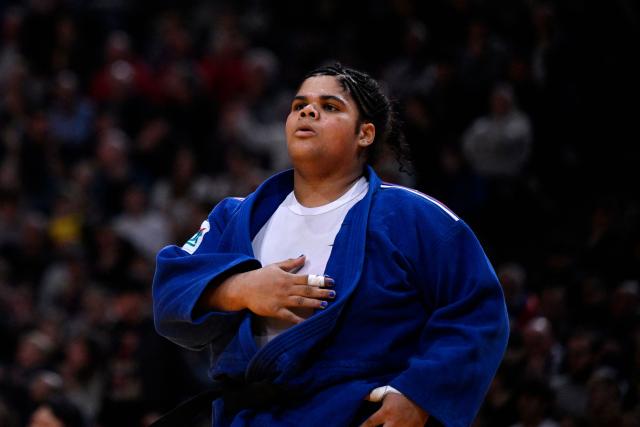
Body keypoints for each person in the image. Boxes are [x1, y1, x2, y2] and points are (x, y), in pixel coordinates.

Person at [152, 63, 509, 427]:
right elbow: (168, 292)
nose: (307, 111)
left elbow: (478, 312)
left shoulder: (413, 217)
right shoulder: (238, 215)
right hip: (249, 417)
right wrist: (238, 288)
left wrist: (420, 395)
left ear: (365, 135)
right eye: (298, 105)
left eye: (330, 106)